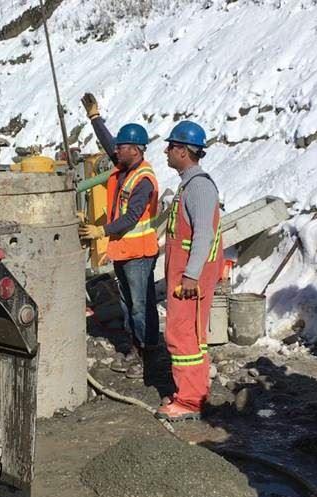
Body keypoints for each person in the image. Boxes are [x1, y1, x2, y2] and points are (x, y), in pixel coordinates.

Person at [79, 92, 160, 380]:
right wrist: (94, 117)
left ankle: (145, 356)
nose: (116, 151)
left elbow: (131, 217)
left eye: (122, 147)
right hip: (124, 252)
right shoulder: (125, 166)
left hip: (139, 255)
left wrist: (100, 231)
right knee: (131, 305)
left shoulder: (143, 180)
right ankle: (140, 349)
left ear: (136, 150)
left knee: (140, 308)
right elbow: (108, 142)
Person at [156, 120, 223, 422]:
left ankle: (190, 401)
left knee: (185, 336)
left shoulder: (199, 187)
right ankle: (191, 393)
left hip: (189, 279)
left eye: (171, 146)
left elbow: (203, 236)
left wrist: (191, 276)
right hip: (184, 275)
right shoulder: (190, 185)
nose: (167, 151)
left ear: (183, 151)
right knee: (185, 334)